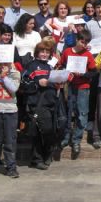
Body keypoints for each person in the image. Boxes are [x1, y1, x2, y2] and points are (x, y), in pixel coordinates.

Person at [58, 30, 97, 156]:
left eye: (86, 43)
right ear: (77, 39)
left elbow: (94, 71)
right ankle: (66, 136)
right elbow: (61, 65)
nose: (83, 45)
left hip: (83, 87)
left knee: (82, 113)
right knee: (68, 112)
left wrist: (84, 74)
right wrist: (66, 71)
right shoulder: (67, 52)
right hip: (69, 86)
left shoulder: (88, 54)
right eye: (82, 41)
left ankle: (76, 140)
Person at [23, 42, 59, 170]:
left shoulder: (50, 67)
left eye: (47, 52)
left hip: (51, 102)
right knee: (40, 132)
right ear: (37, 52)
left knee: (49, 131)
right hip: (37, 104)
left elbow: (54, 83)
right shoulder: (31, 66)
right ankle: (37, 159)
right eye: (42, 51)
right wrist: (38, 83)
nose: (44, 54)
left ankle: (46, 155)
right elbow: (24, 84)